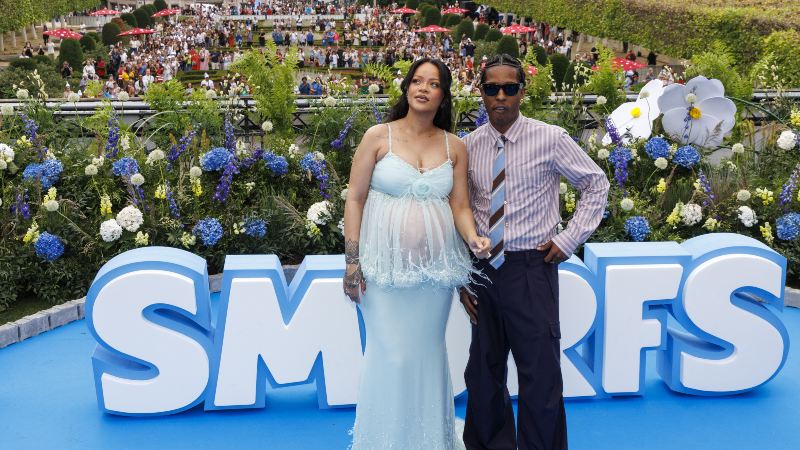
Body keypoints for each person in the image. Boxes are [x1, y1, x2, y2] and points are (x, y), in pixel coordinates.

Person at [460, 54, 610, 450]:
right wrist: (462, 277)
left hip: (531, 268)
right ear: (481, 92)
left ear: (522, 92)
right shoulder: (468, 147)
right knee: (483, 375)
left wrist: (569, 239)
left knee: (540, 376)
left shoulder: (551, 138)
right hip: (483, 272)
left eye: (509, 87)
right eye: (492, 88)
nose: (501, 96)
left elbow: (596, 184)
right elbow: (461, 211)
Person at [344, 58, 491, 449]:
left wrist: (474, 238)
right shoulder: (378, 137)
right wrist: (352, 263)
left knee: (427, 355)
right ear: (407, 87)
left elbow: (460, 206)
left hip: (435, 278)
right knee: (390, 355)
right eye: (417, 81)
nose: (423, 88)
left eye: (434, 83)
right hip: (384, 274)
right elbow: (355, 199)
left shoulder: (454, 146)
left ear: (444, 95)